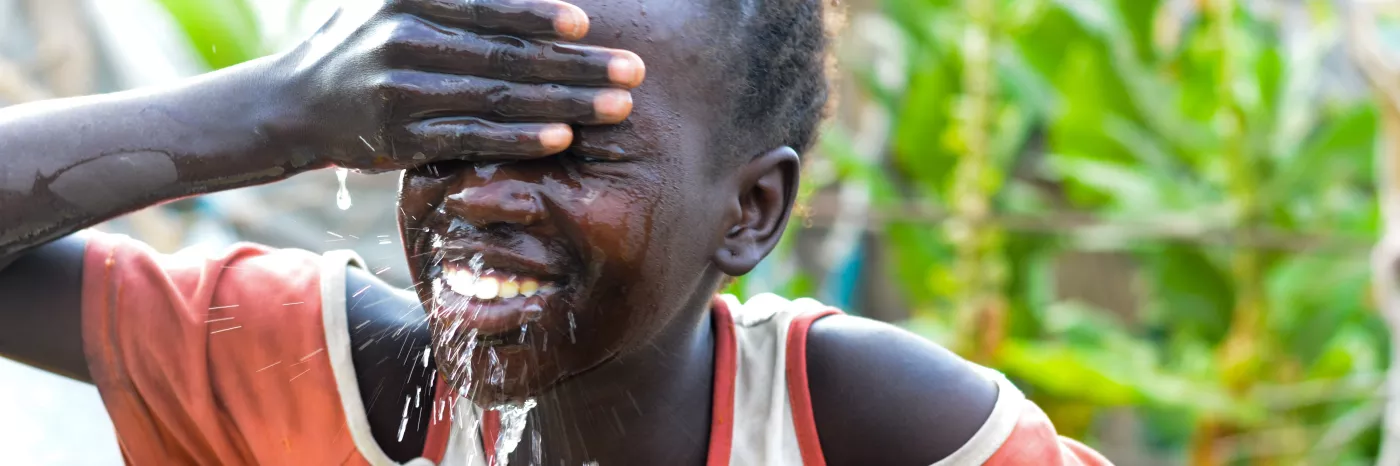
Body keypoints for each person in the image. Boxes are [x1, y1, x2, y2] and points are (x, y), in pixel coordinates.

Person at [0, 0, 1112, 464]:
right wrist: (277, 112)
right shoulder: (327, 375)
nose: (488, 194)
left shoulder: (866, 427)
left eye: (577, 152)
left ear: (751, 211)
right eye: (448, 138)